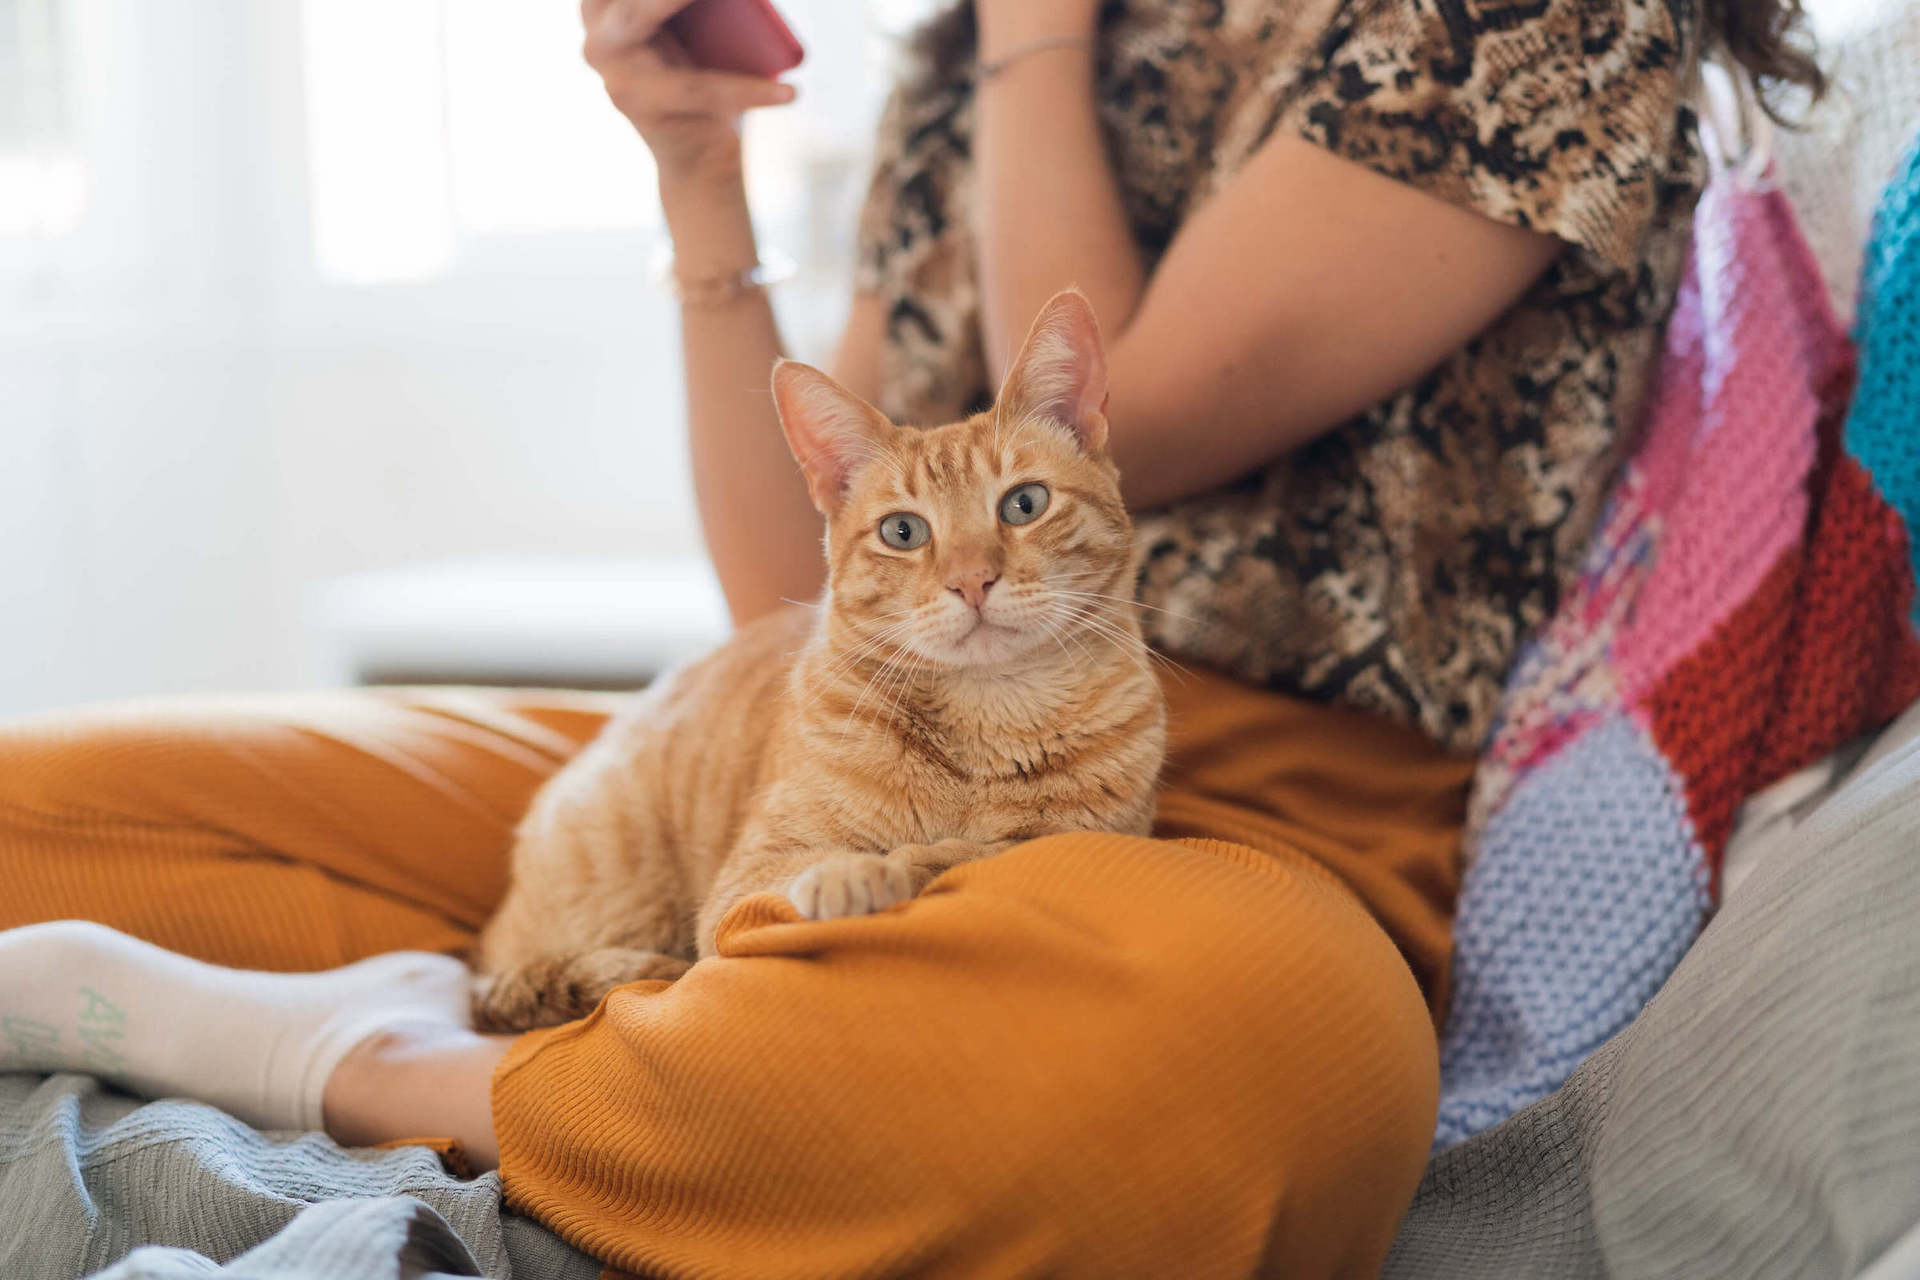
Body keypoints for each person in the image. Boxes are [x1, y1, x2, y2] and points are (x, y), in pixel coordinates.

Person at [0, 0, 1823, 1275]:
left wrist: (1037, 29)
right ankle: (646, 1066)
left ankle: (391, 1067)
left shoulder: (1530, 20)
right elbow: (790, 578)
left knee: (1201, 1089)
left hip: (1229, 808)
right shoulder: (966, 59)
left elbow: (1111, 418)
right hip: (837, 707)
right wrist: (694, 171)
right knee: (40, 805)